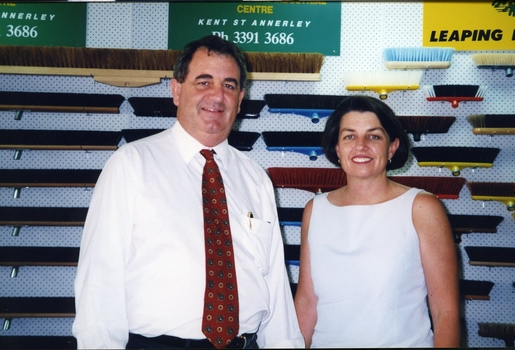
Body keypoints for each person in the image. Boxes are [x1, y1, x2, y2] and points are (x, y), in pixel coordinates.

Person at [72, 35, 304, 349]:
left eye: (229, 85)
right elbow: (99, 281)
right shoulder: (131, 165)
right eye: (204, 82)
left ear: (240, 98)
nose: (217, 96)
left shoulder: (255, 178)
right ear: (177, 90)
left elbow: (274, 282)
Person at [294, 95, 460, 348]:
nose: (360, 145)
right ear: (337, 149)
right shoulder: (315, 209)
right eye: (349, 136)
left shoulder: (422, 208)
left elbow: (445, 312)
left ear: (391, 147)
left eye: (374, 136)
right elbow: (306, 302)